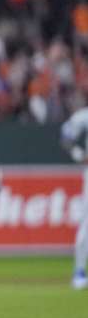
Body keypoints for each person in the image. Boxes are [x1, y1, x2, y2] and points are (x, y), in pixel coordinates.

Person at [59, 107, 88, 290]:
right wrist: (80, 154)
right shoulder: (85, 115)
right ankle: (79, 271)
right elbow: (66, 134)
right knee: (87, 224)